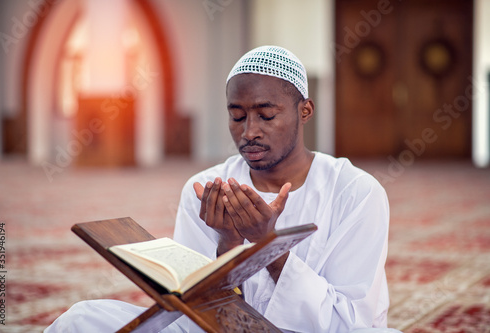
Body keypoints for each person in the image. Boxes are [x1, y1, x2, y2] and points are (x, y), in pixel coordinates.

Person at [45, 45, 400, 333]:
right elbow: (197, 313)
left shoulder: (355, 192)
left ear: (304, 111)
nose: (249, 132)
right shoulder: (207, 190)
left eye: (266, 115)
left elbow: (350, 323)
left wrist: (268, 248)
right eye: (237, 116)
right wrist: (228, 248)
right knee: (82, 320)